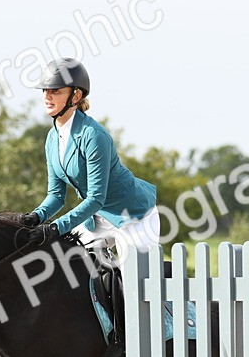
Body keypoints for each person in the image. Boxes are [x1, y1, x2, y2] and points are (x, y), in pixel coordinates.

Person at [24, 58, 159, 259]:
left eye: (56, 91)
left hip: (133, 217)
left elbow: (96, 198)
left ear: (76, 95)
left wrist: (54, 228)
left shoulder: (94, 135)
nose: (47, 97)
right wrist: (35, 216)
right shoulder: (52, 138)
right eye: (45, 91)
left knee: (134, 285)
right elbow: (56, 195)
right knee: (66, 262)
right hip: (97, 219)